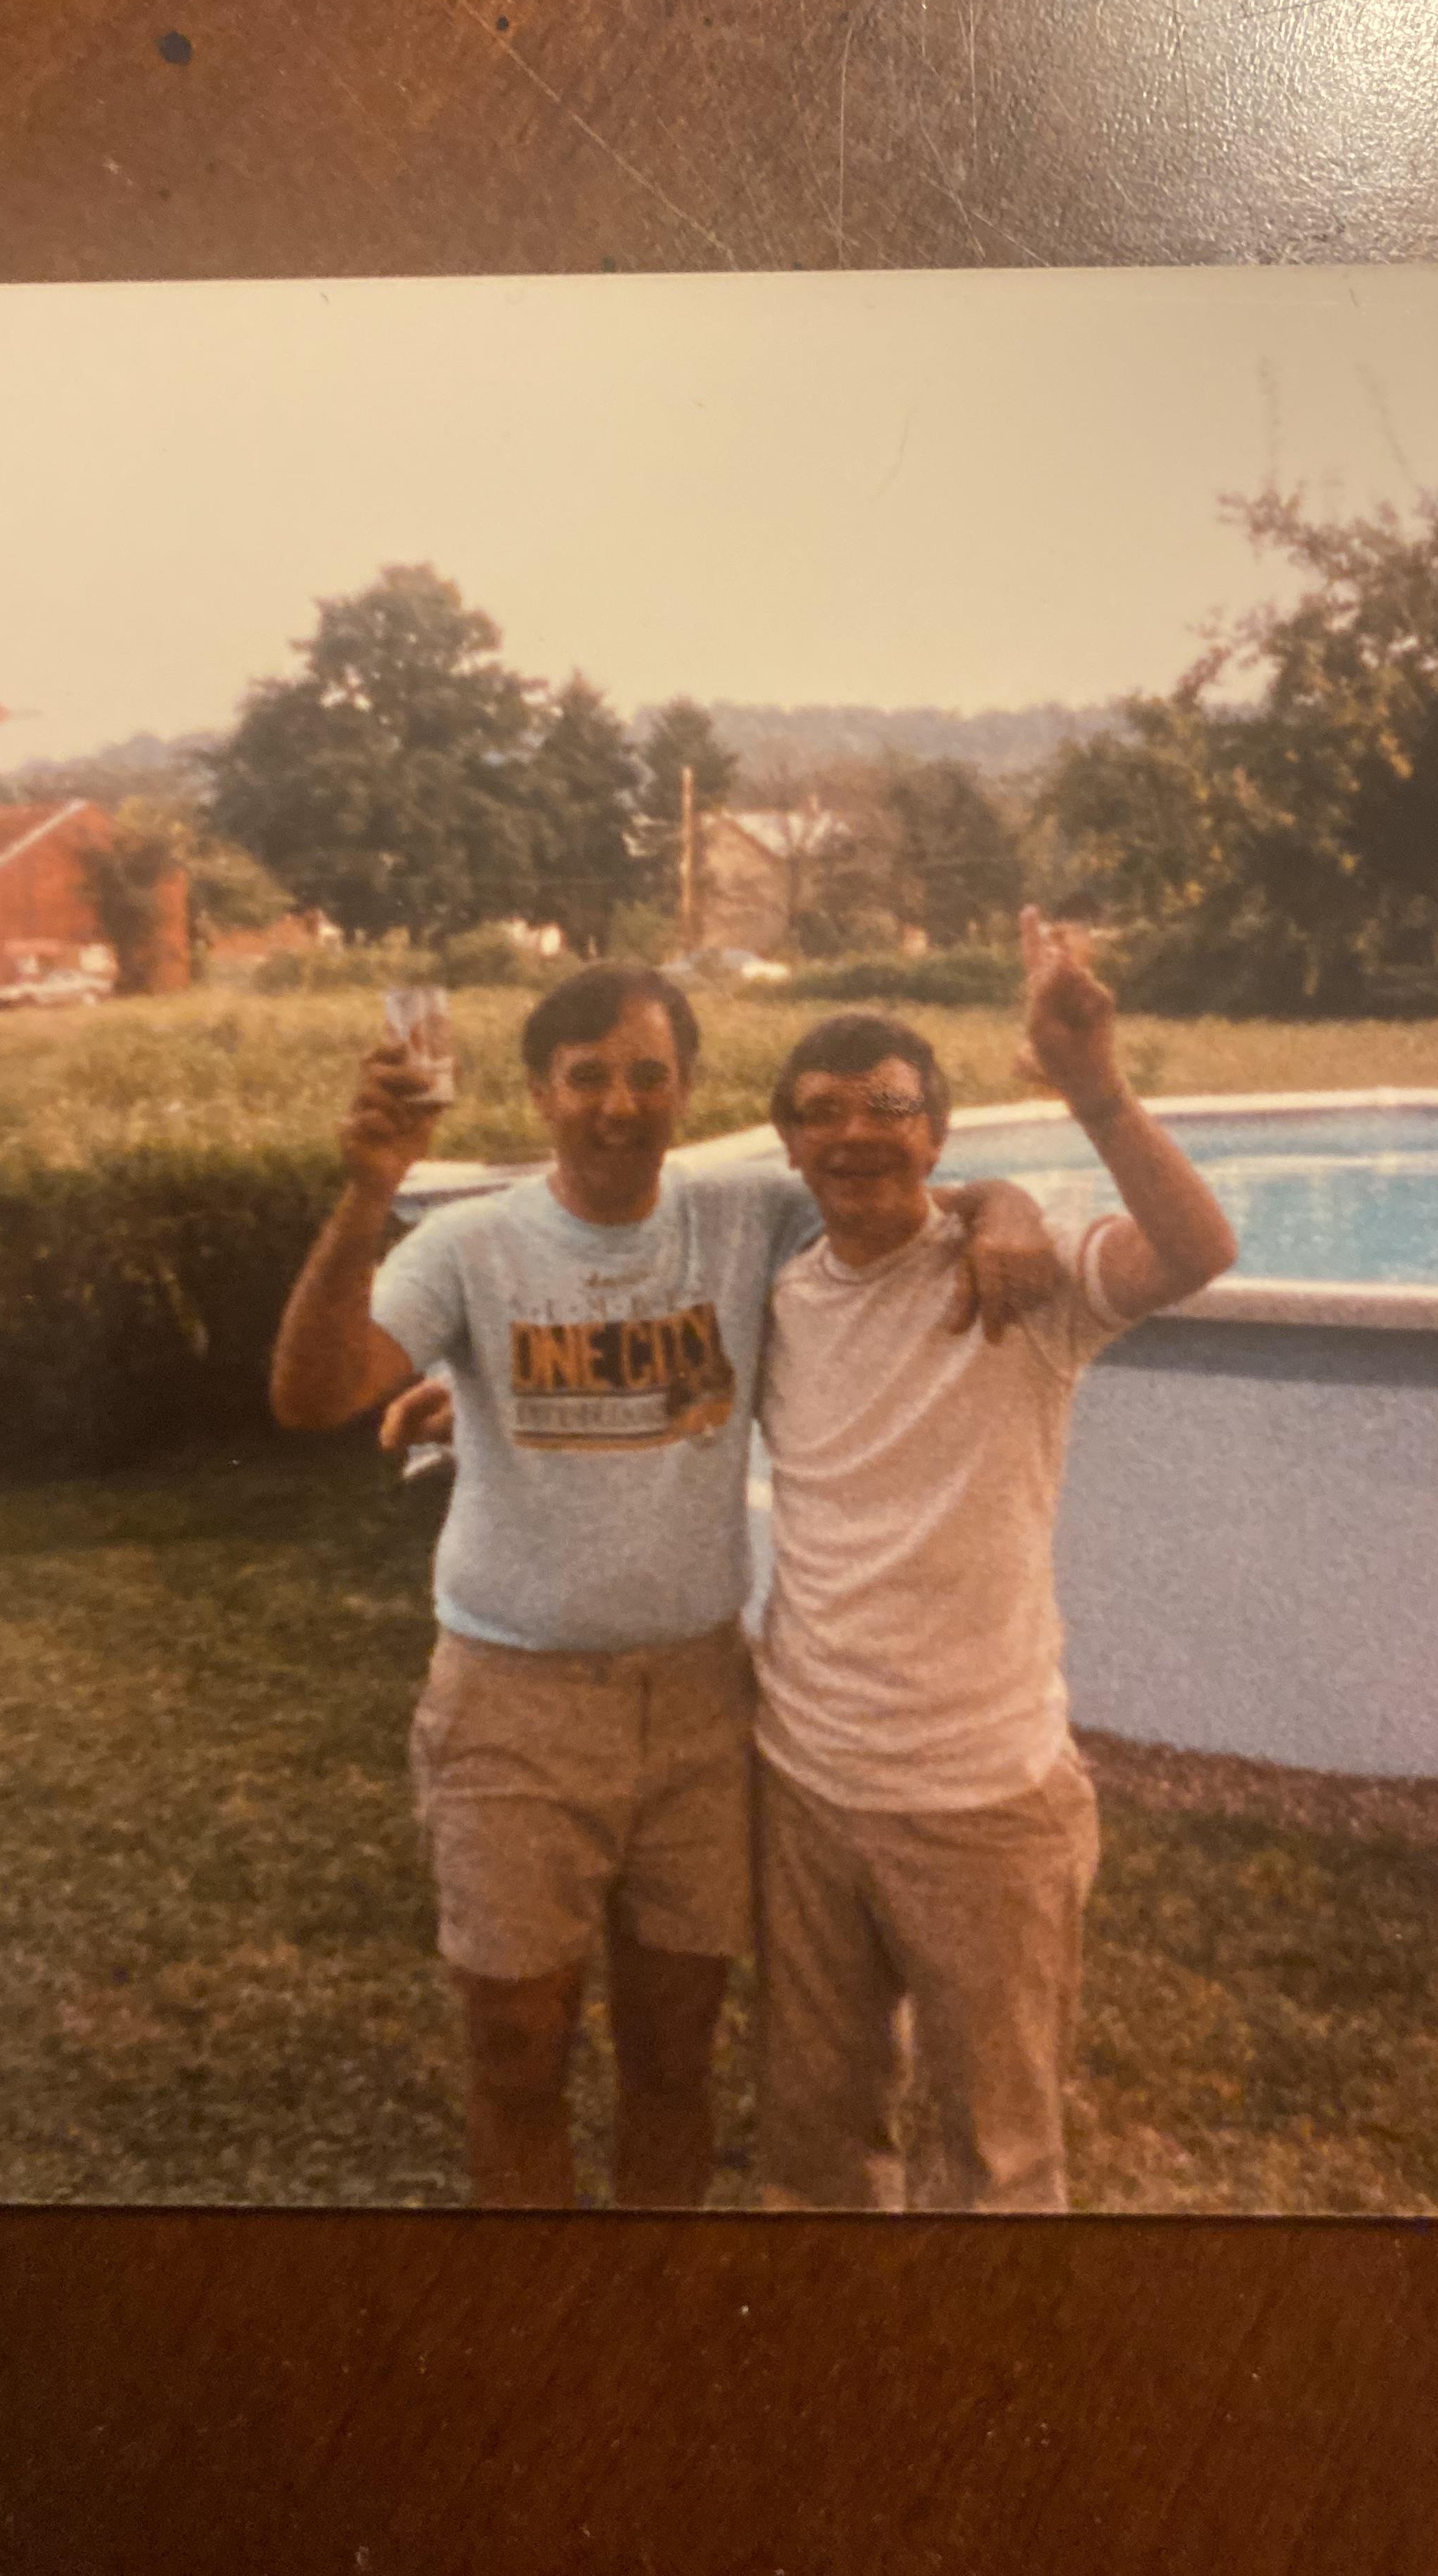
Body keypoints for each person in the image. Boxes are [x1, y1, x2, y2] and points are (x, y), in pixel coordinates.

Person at [268, 961, 1056, 2210]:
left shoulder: (746, 1216)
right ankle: (546, 2330)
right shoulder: (471, 1244)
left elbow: (888, 1183)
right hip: (513, 1705)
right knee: (517, 2052)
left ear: (686, 1089)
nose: (619, 1104)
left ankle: (652, 2318)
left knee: (675, 2055)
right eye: (588, 1077)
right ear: (540, 1091)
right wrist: (368, 1194)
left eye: (648, 1074)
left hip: (698, 1705)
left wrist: (1006, 1203)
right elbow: (313, 1393)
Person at [752, 909, 1238, 2212]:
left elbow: (1197, 1251)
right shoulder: (772, 1292)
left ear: (938, 1131)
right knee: (813, 2147)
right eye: (823, 1113)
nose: (857, 1134)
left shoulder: (1027, 1283)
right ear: (788, 1142)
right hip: (800, 1783)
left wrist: (1096, 1095)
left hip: (985, 1801)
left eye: (891, 1108)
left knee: (998, 2163)